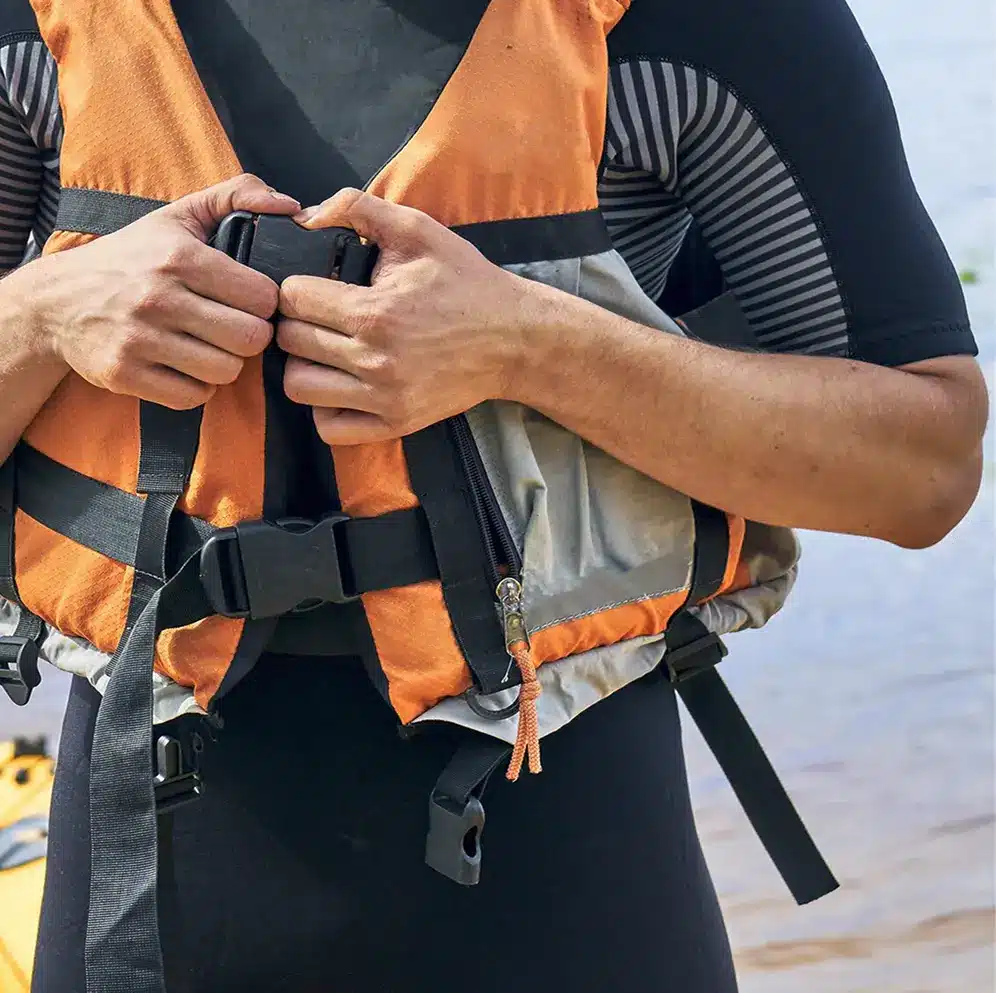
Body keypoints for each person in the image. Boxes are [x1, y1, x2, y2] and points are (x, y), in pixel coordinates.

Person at [0, 0, 987, 991]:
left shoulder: (709, 21)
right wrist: (42, 314)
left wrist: (529, 345)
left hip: (572, 869)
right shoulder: (33, 24)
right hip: (144, 878)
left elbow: (923, 470)